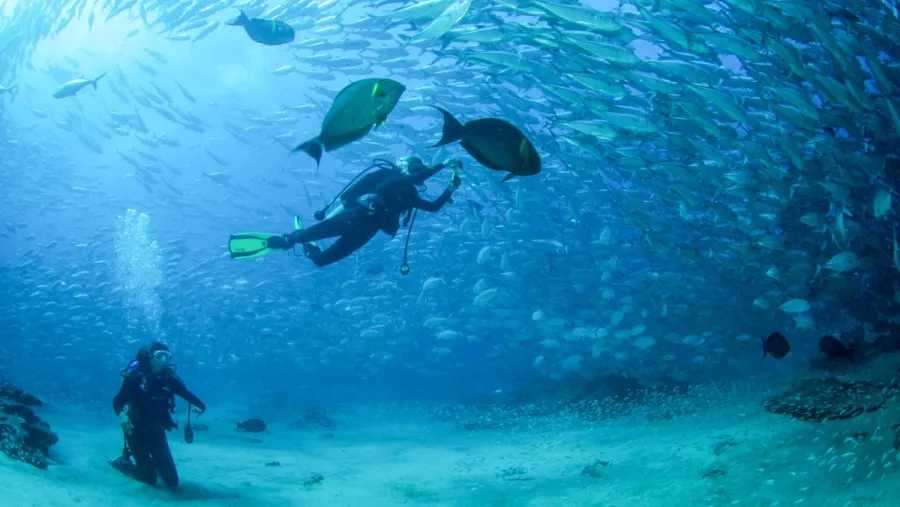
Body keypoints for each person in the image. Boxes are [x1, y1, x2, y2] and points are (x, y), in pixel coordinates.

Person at [228, 156, 462, 268]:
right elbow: (417, 178)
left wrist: (449, 189)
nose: (418, 170)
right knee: (301, 236)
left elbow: (432, 207)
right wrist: (443, 164)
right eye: (414, 166)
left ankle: (307, 248)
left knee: (321, 261)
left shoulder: (410, 195)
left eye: (420, 167)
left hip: (365, 232)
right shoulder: (392, 178)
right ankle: (287, 239)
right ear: (405, 168)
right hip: (355, 217)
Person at [109, 342, 205, 489]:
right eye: (159, 356)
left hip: (155, 428)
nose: (164, 361)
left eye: (167, 357)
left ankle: (153, 464)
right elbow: (118, 400)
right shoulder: (135, 377)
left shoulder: (169, 379)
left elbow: (186, 394)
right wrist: (122, 415)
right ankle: (123, 463)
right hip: (134, 428)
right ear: (149, 358)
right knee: (149, 478)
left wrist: (201, 406)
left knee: (172, 481)